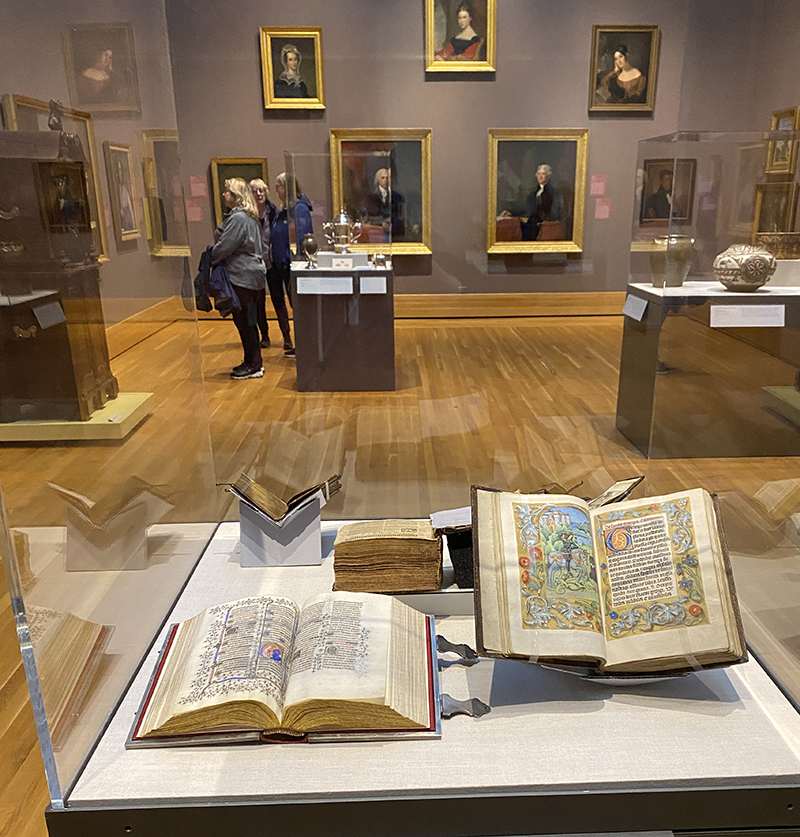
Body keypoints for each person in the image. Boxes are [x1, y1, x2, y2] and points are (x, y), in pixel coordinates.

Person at [212, 178, 266, 380]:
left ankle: (253, 364)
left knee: (245, 322)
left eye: (227, 191)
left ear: (236, 195)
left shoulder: (239, 219)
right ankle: (252, 361)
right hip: (251, 276)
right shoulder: (247, 216)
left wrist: (211, 257)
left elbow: (225, 246)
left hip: (242, 276)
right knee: (248, 321)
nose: (224, 194)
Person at [269, 172, 313, 357]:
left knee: (298, 306)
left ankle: (305, 344)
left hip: (291, 266)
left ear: (286, 188)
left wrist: (292, 260)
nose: (276, 190)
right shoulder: (284, 210)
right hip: (280, 265)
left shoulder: (299, 209)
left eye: (278, 186)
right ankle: (294, 341)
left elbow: (303, 240)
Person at [250, 177, 292, 352]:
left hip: (274, 263)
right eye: (255, 191)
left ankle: (287, 336)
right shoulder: (247, 215)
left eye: (262, 190)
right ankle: (264, 335)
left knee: (279, 300)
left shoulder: (274, 212)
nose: (259, 194)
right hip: (255, 264)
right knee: (258, 303)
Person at [499, 164, 563, 241]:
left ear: (548, 176)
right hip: (531, 224)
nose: (540, 176)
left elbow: (554, 213)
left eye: (543, 174)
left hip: (542, 226)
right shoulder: (534, 193)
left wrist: (541, 221)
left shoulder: (554, 193)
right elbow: (524, 207)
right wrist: (510, 212)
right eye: (539, 174)